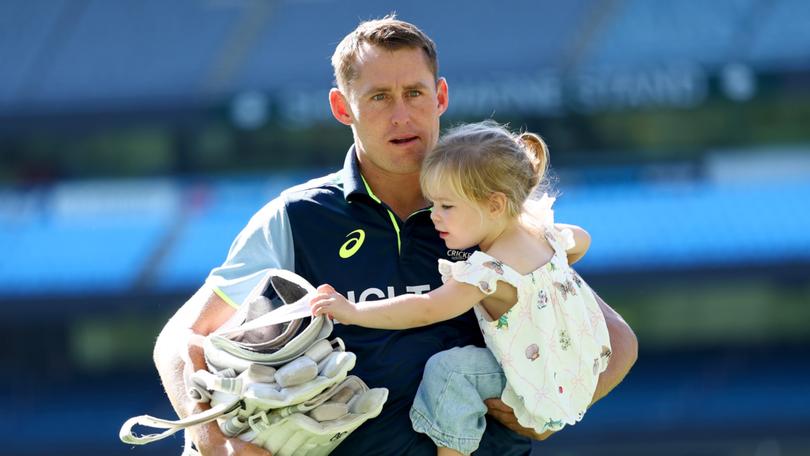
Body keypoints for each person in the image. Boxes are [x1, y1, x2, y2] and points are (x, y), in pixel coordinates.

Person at [152, 15, 637, 456]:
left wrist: (549, 414)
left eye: (415, 93)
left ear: (441, 96)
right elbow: (180, 337)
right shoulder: (295, 217)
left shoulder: (491, 209)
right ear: (343, 107)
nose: (401, 115)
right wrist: (214, 444)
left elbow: (615, 340)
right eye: (379, 97)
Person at [309, 120, 611, 456]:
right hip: (576, 367)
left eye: (447, 206)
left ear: (495, 205)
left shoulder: (490, 271)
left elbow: (426, 308)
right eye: (433, 204)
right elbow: (582, 241)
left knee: (449, 371)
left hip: (538, 382)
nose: (434, 216)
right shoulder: (547, 236)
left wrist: (353, 311)